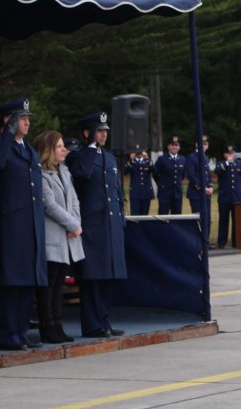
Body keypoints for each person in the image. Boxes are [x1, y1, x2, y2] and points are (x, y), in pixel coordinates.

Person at [0, 98, 46, 350]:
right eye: (22, 118)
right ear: (9, 121)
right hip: (10, 225)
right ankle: (8, 334)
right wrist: (8, 133)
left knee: (25, 281)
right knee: (10, 283)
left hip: (29, 224)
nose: (28, 122)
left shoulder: (27, 148)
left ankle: (20, 332)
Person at [67, 112, 126, 338]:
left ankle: (104, 321)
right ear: (87, 133)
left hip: (109, 225)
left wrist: (119, 221)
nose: (103, 134)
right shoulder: (78, 156)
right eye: (98, 131)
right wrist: (90, 147)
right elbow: (81, 174)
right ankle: (92, 324)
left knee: (107, 276)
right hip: (91, 226)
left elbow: (117, 193)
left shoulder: (110, 158)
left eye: (104, 131)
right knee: (92, 277)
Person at [35, 131, 83, 344]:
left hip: (68, 236)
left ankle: (58, 325)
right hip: (52, 236)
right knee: (50, 284)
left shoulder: (65, 171)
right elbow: (50, 205)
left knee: (59, 285)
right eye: (59, 147)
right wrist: (71, 224)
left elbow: (74, 200)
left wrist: (76, 225)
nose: (64, 150)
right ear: (48, 150)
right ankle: (48, 326)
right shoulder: (41, 174)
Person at [213, 145, 241, 249]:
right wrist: (227, 162)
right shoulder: (221, 163)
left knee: (237, 220)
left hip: (237, 197)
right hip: (224, 197)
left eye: (232, 154)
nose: (231, 155)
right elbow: (217, 171)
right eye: (229, 153)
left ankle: (236, 241)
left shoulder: (239, 163)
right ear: (225, 154)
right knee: (223, 220)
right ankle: (221, 242)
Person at [152, 134, 186, 214]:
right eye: (172, 145)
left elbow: (183, 175)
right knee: (163, 215)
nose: (174, 147)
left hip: (177, 192)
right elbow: (155, 174)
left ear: (179, 147)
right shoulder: (162, 159)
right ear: (168, 147)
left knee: (177, 215)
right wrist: (161, 183)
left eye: (176, 145)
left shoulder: (182, 159)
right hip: (165, 192)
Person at [186, 135, 212, 215]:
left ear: (207, 146)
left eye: (205, 144)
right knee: (198, 219)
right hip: (196, 193)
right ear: (197, 144)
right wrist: (203, 187)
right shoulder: (191, 157)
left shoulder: (205, 157)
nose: (203, 145)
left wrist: (210, 186)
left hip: (206, 193)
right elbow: (190, 175)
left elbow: (208, 174)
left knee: (207, 218)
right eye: (201, 143)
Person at [124, 149, 154, 215]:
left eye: (140, 151)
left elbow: (155, 171)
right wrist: (131, 160)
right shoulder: (132, 162)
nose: (139, 153)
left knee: (145, 216)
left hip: (146, 193)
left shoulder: (148, 161)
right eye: (137, 152)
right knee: (135, 215)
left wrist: (147, 158)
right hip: (135, 193)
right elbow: (125, 172)